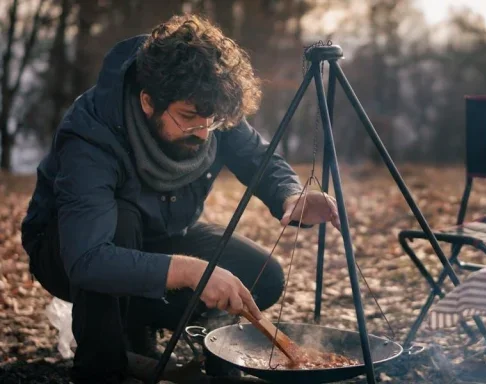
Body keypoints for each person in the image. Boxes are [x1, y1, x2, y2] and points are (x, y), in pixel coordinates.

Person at [20, 14, 340, 384]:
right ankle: (103, 365)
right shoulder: (92, 134)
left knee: (262, 277)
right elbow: (88, 259)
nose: (204, 133)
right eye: (188, 118)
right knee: (122, 223)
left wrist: (291, 195)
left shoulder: (209, 106)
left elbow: (258, 159)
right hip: (72, 248)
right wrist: (192, 272)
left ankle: (137, 327)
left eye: (213, 121)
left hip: (163, 231)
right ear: (147, 101)